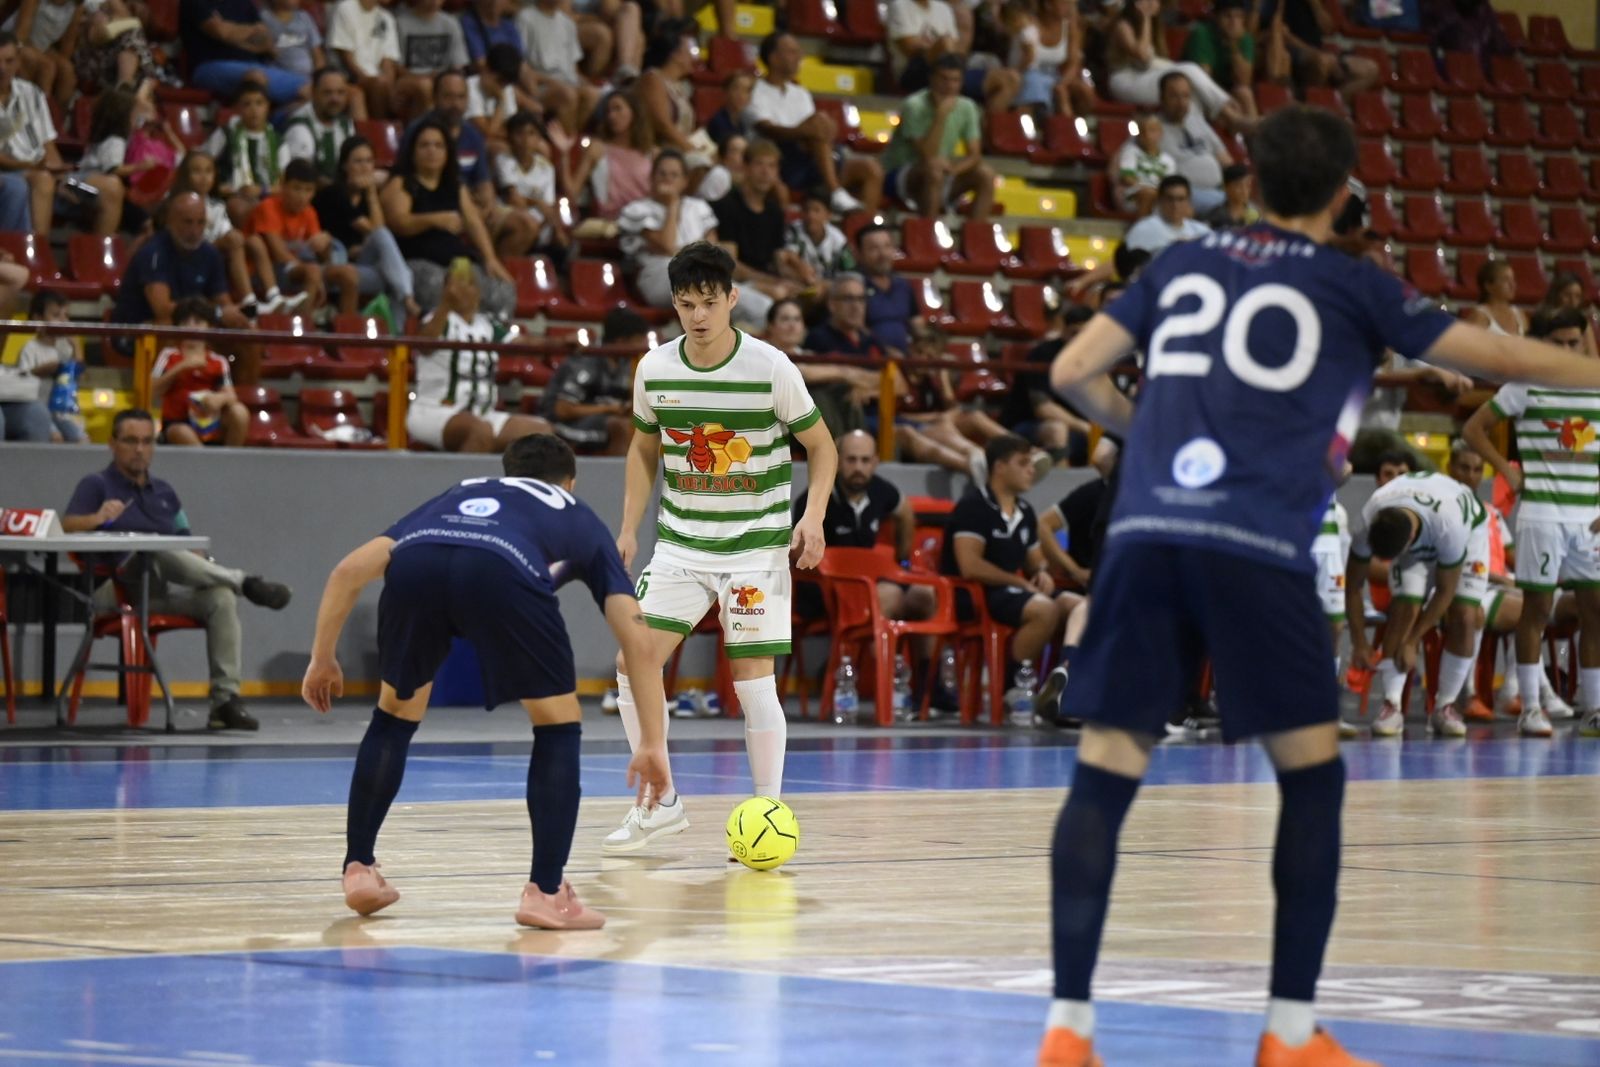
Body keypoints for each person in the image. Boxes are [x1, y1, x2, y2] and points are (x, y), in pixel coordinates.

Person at [1037, 104, 1600, 1067]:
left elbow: (1073, 373)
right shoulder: (1354, 283)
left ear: (1245, 180)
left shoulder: (1179, 264)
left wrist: (1156, 431)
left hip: (1150, 532)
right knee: (1310, 781)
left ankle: (1068, 1032)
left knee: (1104, 773)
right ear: (1344, 196)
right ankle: (1288, 1032)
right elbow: (1500, 356)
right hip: (1256, 542)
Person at [300, 432, 671, 927]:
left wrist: (322, 659)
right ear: (570, 481)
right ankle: (545, 892)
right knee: (557, 725)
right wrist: (652, 740)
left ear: (505, 473)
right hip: (500, 570)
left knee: (393, 716)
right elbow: (639, 639)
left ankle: (359, 867)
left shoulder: (463, 491)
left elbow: (347, 571)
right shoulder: (576, 511)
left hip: (417, 567)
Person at [603, 241, 837, 854]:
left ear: (733, 298)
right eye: (686, 305)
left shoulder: (771, 367)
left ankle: (770, 813)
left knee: (753, 681)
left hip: (755, 547)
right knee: (632, 662)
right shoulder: (654, 369)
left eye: (710, 302)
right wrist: (629, 526)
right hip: (680, 545)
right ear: (674, 305)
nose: (699, 316)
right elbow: (642, 450)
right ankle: (661, 805)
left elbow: (823, 446)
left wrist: (811, 518)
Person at [62, 409, 293, 731]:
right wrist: (96, 519)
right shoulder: (96, 484)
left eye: (146, 441)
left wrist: (197, 564)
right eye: (130, 441)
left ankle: (224, 702)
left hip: (156, 593)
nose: (140, 449)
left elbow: (188, 543)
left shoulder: (165, 493)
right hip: (114, 591)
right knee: (152, 549)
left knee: (220, 597)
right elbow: (65, 526)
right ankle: (246, 581)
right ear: (112, 444)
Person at [1461, 306, 1600, 740]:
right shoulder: (1524, 386)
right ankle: (1531, 708)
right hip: (1541, 515)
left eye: (1572, 343)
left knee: (1595, 614)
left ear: (1584, 342)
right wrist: (1505, 468)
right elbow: (1473, 428)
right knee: (1536, 611)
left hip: (1589, 519)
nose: (1564, 350)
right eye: (1556, 343)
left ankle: (1593, 710)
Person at [1344, 469, 1489, 739]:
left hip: (1469, 534)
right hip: (1419, 523)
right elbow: (1352, 586)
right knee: (1405, 607)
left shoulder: (1450, 525)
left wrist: (1412, 641)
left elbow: (1445, 591)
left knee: (1465, 615)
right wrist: (1359, 642)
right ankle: (1391, 704)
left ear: (1409, 540)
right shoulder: (1368, 519)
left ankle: (1445, 706)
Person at [942, 433, 1083, 687]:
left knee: (1077, 606)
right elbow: (970, 565)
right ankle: (1013, 687)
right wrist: (1019, 583)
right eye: (1023, 463)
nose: (1031, 470)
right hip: (978, 594)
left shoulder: (1025, 511)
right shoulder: (973, 506)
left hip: (1012, 592)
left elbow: (1034, 561)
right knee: (1044, 609)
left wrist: (1042, 573)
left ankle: (1063, 685)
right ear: (999, 467)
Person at [793, 429, 936, 628]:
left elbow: (905, 512)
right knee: (890, 594)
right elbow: (799, 554)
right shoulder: (815, 498)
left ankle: (923, 660)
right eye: (851, 460)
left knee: (924, 594)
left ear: (875, 462)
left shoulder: (880, 490)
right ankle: (871, 658)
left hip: (870, 579)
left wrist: (901, 559)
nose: (858, 467)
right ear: (838, 459)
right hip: (826, 587)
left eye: (865, 460)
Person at [406, 261, 551, 451]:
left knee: (541, 432)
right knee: (480, 431)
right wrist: (445, 305)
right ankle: (463, 481)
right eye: (455, 283)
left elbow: (523, 343)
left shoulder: (488, 325)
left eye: (467, 283)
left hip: (482, 414)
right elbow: (425, 345)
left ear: (478, 292)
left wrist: (561, 341)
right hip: (434, 410)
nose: (460, 288)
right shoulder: (438, 319)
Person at [381, 116, 515, 319]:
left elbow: (474, 223)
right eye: (424, 145)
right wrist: (434, 220)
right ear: (413, 152)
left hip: (456, 262)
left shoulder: (455, 186)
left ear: (447, 153)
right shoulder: (401, 183)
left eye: (438, 145)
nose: (431, 151)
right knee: (435, 287)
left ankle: (489, 340)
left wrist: (490, 258)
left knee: (502, 290)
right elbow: (399, 222)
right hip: (417, 262)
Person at [110, 192, 254, 376]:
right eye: (188, 222)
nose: (195, 231)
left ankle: (239, 398)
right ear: (171, 221)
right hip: (136, 330)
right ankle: (166, 398)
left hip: (191, 325)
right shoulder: (153, 253)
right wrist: (216, 313)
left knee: (248, 335)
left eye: (200, 223)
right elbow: (162, 309)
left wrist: (235, 314)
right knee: (168, 327)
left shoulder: (210, 254)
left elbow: (222, 301)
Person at [0, 33, 122, 237]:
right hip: (13, 176)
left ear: (19, 61)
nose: (2, 68)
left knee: (110, 189)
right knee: (43, 180)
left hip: (46, 174)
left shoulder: (32, 93)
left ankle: (97, 262)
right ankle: (39, 260)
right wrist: (35, 168)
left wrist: (62, 177)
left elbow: (48, 145)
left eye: (9, 61)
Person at [746, 33, 880, 213]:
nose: (799, 57)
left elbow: (817, 131)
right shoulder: (756, 91)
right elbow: (767, 129)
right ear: (774, 58)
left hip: (811, 157)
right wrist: (806, 132)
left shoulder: (801, 93)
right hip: (780, 159)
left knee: (870, 168)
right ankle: (835, 191)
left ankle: (866, 230)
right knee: (818, 124)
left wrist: (823, 129)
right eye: (792, 52)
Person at [313, 136, 419, 318]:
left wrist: (370, 194)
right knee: (394, 273)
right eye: (358, 161)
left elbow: (378, 232)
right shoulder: (334, 192)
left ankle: (397, 332)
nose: (365, 167)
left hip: (361, 263)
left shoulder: (367, 198)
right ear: (345, 165)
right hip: (336, 265)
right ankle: (407, 299)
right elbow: (373, 231)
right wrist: (372, 192)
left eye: (369, 161)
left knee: (394, 273)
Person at [1106, 0, 1252, 132]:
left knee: (1189, 93)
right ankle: (1233, 116)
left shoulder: (1155, 27)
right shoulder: (1123, 25)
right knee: (1189, 70)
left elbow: (1157, 63)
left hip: (1145, 78)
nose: (1153, 3)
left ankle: (1199, 138)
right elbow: (1143, 57)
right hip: (1125, 82)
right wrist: (1146, 17)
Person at [882, 53, 996, 219]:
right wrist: (941, 115)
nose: (949, 86)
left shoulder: (967, 107)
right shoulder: (914, 105)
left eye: (955, 80)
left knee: (986, 174)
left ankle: (976, 236)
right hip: (901, 174)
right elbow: (928, 154)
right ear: (932, 79)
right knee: (933, 169)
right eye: (944, 78)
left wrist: (954, 170)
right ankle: (929, 235)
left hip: (941, 171)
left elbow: (974, 155)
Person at [251, 157, 362, 314]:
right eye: (296, 188)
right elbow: (278, 253)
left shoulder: (309, 212)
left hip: (300, 269)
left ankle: (348, 334)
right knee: (312, 271)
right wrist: (315, 273)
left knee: (349, 274)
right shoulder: (268, 207)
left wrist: (325, 244)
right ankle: (303, 331)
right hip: (272, 271)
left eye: (308, 190)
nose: (302, 196)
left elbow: (323, 258)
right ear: (283, 186)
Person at [618, 150, 721, 314]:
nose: (667, 179)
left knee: (746, 299)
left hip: (701, 273)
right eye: (662, 173)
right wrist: (672, 205)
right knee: (700, 286)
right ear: (652, 178)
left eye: (674, 175)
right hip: (656, 275)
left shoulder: (699, 207)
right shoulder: (636, 209)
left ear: (685, 181)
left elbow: (712, 250)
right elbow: (667, 245)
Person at [711, 139, 802, 322]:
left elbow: (779, 261)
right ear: (745, 168)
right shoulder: (727, 206)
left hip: (767, 280)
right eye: (759, 164)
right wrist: (773, 281)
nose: (765, 172)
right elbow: (731, 266)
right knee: (779, 296)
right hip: (736, 284)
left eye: (771, 166)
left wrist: (801, 277)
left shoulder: (774, 211)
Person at [887, 0, 1020, 114]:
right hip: (912, 71)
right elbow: (909, 48)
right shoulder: (900, 5)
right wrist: (939, 46)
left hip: (950, 67)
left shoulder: (943, 9)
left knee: (1011, 79)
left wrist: (941, 47)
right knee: (946, 43)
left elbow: (958, 50)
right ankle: (952, 82)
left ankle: (982, 133)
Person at [150, 296, 249, 447]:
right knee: (181, 432)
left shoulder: (218, 361)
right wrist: (182, 367)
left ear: (209, 327)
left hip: (210, 421)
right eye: (185, 323)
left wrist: (218, 399)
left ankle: (230, 462)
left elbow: (231, 396)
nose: (191, 327)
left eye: (197, 322)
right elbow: (151, 391)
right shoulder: (169, 355)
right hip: (177, 423)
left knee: (239, 412)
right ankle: (209, 468)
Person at [541, 307, 641, 455]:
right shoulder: (586, 361)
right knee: (621, 427)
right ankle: (618, 477)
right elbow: (562, 410)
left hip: (599, 422)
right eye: (637, 341)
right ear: (622, 341)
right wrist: (609, 409)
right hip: (561, 426)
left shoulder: (627, 364)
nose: (640, 347)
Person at [181, 0, 310, 104]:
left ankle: (276, 124)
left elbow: (266, 42)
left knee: (313, 88)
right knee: (255, 78)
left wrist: (233, 33)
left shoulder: (244, 3)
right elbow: (222, 32)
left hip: (253, 65)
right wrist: (252, 31)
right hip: (209, 66)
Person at [5, 289, 85, 443]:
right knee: (56, 438)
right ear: (38, 318)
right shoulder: (30, 348)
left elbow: (77, 376)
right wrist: (41, 371)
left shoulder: (66, 347)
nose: (63, 321)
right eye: (56, 316)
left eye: (66, 316)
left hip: (60, 410)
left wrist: (76, 346)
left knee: (81, 439)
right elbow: (21, 382)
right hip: (36, 409)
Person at [1259, 0, 1381, 101]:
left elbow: (1327, 29)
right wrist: (1318, 54)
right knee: (1321, 62)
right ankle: (1309, 106)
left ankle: (1332, 103)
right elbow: (1281, 35)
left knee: (1371, 69)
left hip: (1319, 50)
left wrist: (1315, 5)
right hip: (1293, 50)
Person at [562, 90, 655, 221]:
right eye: (608, 111)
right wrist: (564, 154)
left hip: (648, 216)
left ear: (634, 111)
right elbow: (572, 192)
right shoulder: (598, 149)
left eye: (617, 109)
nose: (612, 116)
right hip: (614, 219)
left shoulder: (651, 153)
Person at [203, 82, 281, 230]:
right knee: (239, 208)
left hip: (268, 197)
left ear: (268, 107)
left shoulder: (278, 141)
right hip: (231, 197)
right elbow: (203, 162)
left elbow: (286, 184)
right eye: (247, 104)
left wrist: (261, 190)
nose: (254, 110)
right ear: (237, 108)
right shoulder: (226, 134)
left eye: (259, 103)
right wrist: (220, 186)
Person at [1156, 71, 1234, 215]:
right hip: (1185, 196)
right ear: (1161, 98)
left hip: (1218, 191)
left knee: (1254, 211)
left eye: (1185, 96)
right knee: (1231, 207)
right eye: (1174, 96)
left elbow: (1226, 161)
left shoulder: (1198, 122)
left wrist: (1235, 186)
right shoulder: (1152, 128)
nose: (1181, 103)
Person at [496, 111, 568, 256]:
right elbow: (514, 200)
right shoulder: (504, 160)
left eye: (531, 134)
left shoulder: (546, 168)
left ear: (538, 139)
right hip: (512, 222)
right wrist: (536, 203)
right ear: (509, 137)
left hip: (540, 228)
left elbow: (548, 207)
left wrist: (557, 231)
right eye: (519, 133)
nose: (525, 140)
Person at [1181, 0, 1258, 121]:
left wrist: (1233, 46)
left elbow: (1244, 81)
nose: (1233, 22)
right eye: (1228, 16)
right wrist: (1226, 102)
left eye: (1239, 17)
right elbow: (1204, 81)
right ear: (1216, 18)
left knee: (1245, 93)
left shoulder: (1245, 39)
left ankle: (1256, 136)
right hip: (1199, 91)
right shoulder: (1202, 34)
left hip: (1227, 90)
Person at [857, 222, 925, 354]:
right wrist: (885, 351)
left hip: (905, 358)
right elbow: (855, 331)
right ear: (859, 254)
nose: (882, 254)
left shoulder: (903, 285)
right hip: (869, 358)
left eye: (887, 246)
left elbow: (917, 323)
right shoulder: (855, 286)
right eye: (873, 249)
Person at [327, 0, 402, 120]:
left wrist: (390, 87)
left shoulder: (387, 18)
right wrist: (375, 82)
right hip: (350, 77)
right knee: (379, 85)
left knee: (415, 88)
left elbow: (388, 60)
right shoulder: (345, 8)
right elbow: (346, 57)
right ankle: (380, 132)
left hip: (379, 80)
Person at [282, 67, 357, 182]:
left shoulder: (346, 123)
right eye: (328, 93)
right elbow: (303, 176)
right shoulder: (300, 126)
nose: (335, 99)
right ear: (313, 92)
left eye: (340, 92)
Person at [394, 0, 467, 117]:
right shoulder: (400, 23)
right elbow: (397, 67)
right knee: (425, 85)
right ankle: (429, 126)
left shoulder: (451, 23)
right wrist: (425, 77)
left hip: (441, 79)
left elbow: (458, 65)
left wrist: (442, 80)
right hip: (410, 78)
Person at [1122, 174, 1211, 254]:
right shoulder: (1143, 229)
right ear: (1160, 200)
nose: (1175, 205)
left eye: (1181, 199)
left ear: (1188, 201)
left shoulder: (1201, 232)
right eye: (1170, 199)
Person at [786, 186, 856, 282]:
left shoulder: (838, 239)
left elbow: (850, 269)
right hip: (800, 282)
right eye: (806, 210)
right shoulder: (793, 230)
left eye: (816, 210)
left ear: (828, 214)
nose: (810, 215)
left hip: (830, 287)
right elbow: (788, 256)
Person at [1112, 113, 1173, 216]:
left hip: (1159, 195)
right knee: (1148, 194)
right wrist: (1146, 187)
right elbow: (1127, 177)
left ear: (1160, 134)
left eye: (1152, 131)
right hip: (1133, 195)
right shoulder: (1130, 152)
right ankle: (1143, 229)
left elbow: (1168, 184)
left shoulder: (1168, 160)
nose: (1147, 135)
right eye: (1143, 131)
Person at [259, 0, 325, 83]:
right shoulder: (264, 19)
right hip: (279, 78)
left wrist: (318, 80)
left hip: (309, 79)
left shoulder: (304, 17)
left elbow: (318, 56)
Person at [1465, 259, 1526, 338]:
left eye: (1512, 279)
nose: (1512, 285)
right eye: (1505, 280)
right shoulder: (1480, 316)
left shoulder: (1520, 315)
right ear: (1488, 286)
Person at [1205, 162, 1259, 228]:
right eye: (1238, 186)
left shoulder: (1257, 214)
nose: (1244, 191)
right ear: (1226, 187)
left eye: (1248, 185)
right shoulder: (1215, 217)